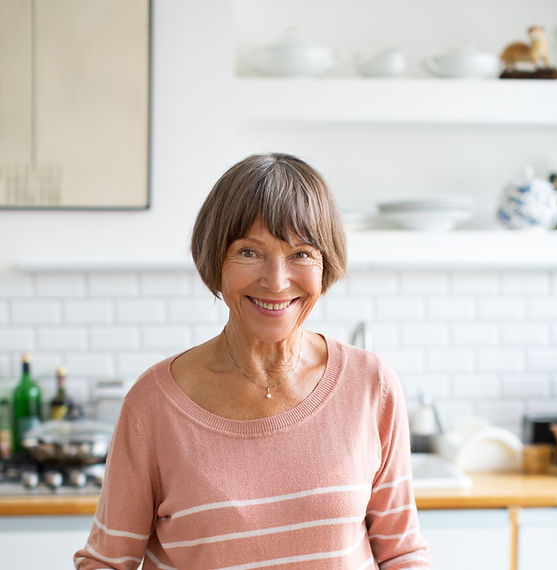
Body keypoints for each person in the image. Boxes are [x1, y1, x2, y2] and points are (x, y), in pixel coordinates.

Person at [74, 153, 431, 569]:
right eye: (249, 252)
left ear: (325, 263)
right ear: (215, 260)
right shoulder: (153, 405)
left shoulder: (372, 386)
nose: (276, 281)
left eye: (300, 253)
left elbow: (402, 553)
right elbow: (105, 562)